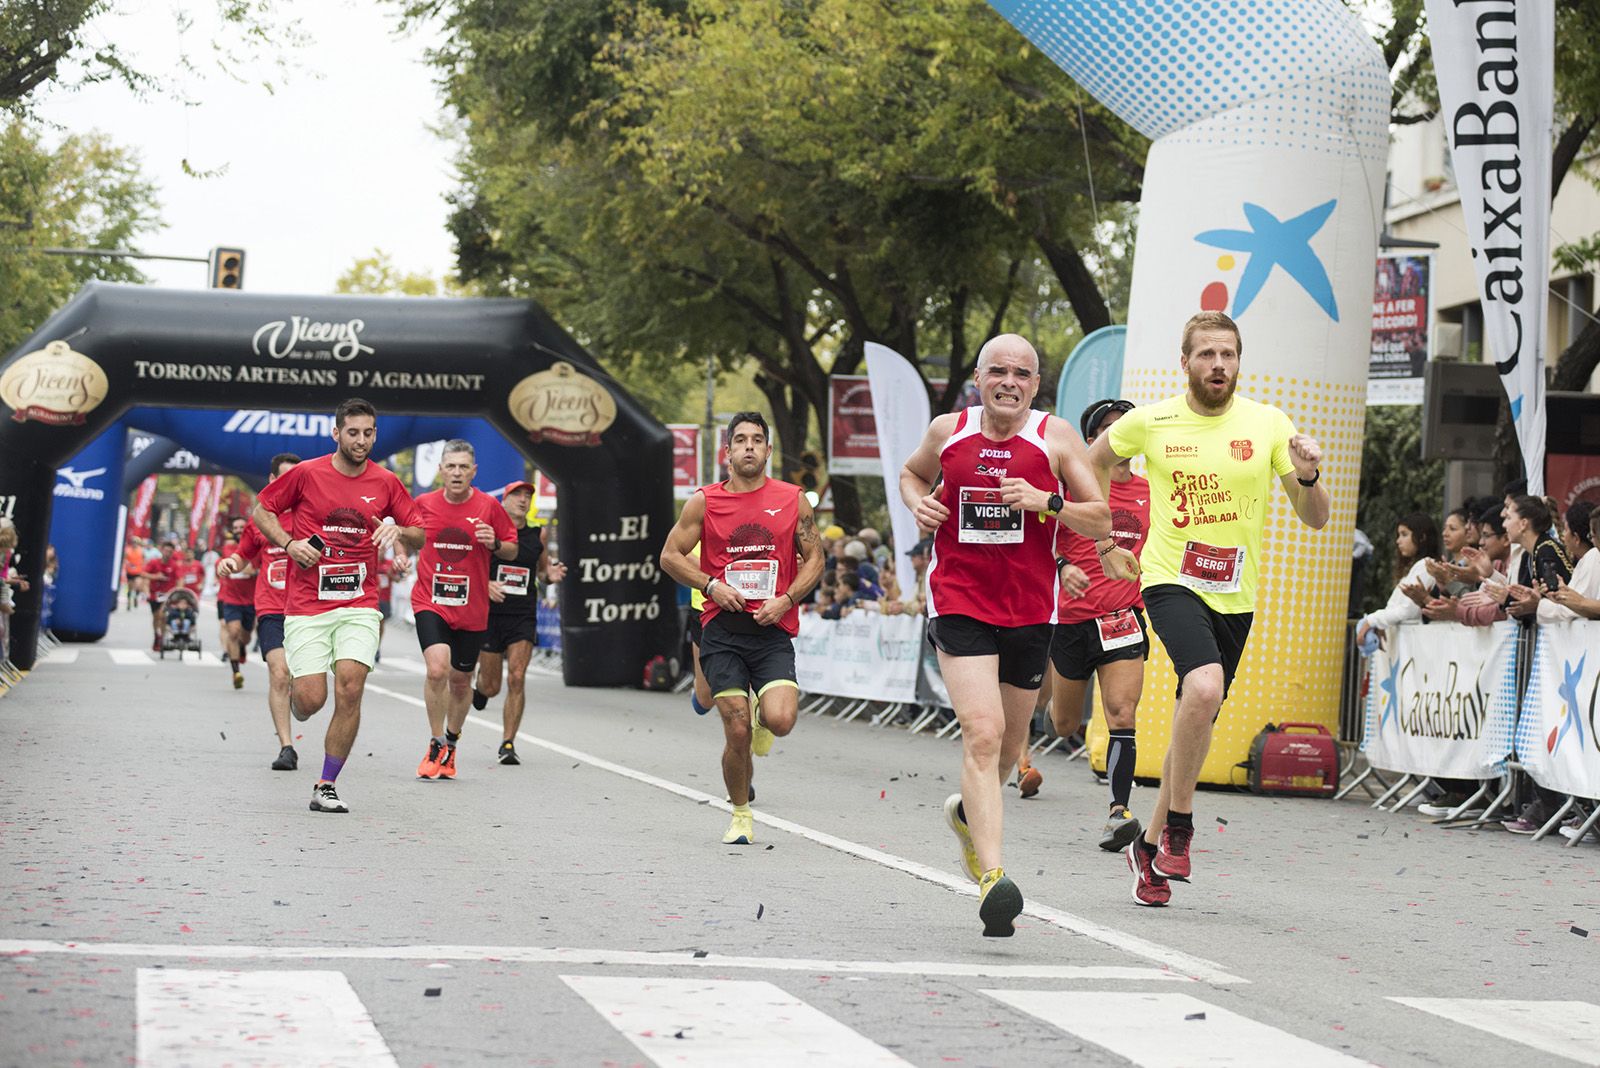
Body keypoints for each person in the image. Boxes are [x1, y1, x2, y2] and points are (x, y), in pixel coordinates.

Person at [1086, 311, 1328, 907]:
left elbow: (1315, 517)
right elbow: (1091, 462)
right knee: (1203, 687)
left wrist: (1309, 476)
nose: (1218, 365)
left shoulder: (1268, 424)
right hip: (1170, 577)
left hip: (1235, 594)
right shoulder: (1151, 422)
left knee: (1196, 715)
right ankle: (1180, 827)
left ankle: (1147, 849)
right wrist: (1105, 543)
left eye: (1228, 354)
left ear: (1239, 362)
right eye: (1207, 354)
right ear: (1185, 362)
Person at [900, 334, 1111, 936]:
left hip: (1030, 610)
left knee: (1010, 742)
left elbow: (1101, 517)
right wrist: (919, 503)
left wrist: (1047, 501)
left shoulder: (1056, 437)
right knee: (984, 732)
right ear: (979, 378)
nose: (1009, 382)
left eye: (1022, 374)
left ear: (1035, 385)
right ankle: (994, 878)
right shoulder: (949, 431)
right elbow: (912, 475)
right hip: (960, 602)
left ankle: (970, 817)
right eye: (998, 371)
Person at [252, 399, 424, 814]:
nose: (361, 440)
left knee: (350, 686)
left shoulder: (386, 481)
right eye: (353, 432)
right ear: (336, 434)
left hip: (359, 601)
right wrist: (290, 544)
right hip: (307, 604)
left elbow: (419, 531)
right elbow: (262, 510)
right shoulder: (307, 474)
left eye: (368, 433)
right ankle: (296, 702)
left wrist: (397, 530)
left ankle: (326, 784)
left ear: (375, 434)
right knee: (312, 699)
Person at [661, 411, 824, 847]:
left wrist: (786, 599)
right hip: (722, 630)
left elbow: (816, 560)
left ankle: (763, 715)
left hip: (772, 628)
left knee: (781, 720)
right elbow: (670, 556)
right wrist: (711, 586)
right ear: (727, 452)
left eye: (756, 440)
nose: (748, 446)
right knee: (735, 729)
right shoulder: (704, 502)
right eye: (740, 440)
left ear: (768, 451)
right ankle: (740, 813)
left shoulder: (793, 500)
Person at [1016, 398, 1153, 851]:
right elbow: (1038, 538)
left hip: (1123, 618)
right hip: (1072, 620)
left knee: (1121, 713)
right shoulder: (1067, 490)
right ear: (1091, 440)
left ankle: (1119, 812)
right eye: (1109, 428)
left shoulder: (1150, 491)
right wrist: (1062, 567)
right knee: (1064, 722)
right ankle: (1039, 726)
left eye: (1126, 426)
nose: (1119, 435)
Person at [403, 440, 519, 781]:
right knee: (437, 669)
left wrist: (494, 543)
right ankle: (435, 741)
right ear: (441, 470)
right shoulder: (424, 503)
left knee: (460, 681)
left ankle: (451, 742)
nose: (456, 473)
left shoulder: (488, 507)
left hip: (471, 608)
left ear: (473, 471)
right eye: (451, 466)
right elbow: (404, 533)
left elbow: (512, 549)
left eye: (463, 467)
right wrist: (400, 554)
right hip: (430, 601)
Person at [470, 479, 567, 765]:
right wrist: (485, 584)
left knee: (516, 676)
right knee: (492, 687)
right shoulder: (489, 531)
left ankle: (508, 743)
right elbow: (470, 566)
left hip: (522, 614)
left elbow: (541, 571)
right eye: (517, 495)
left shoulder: (538, 533)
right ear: (504, 500)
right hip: (491, 614)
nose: (523, 500)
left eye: (527, 495)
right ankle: (481, 687)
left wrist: (550, 575)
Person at [218, 453, 302, 770]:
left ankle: (302, 702)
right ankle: (287, 747)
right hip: (272, 608)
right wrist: (231, 563)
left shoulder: (313, 514)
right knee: (279, 673)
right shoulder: (260, 519)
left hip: (307, 609)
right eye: (284, 478)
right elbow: (242, 555)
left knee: (307, 694)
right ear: (272, 480)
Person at [1355, 513, 1439, 646]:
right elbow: (1396, 607)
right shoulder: (1415, 567)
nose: (1398, 541)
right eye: (1399, 535)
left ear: (1422, 537)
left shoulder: (1426, 565)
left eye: (1404, 534)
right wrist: (1381, 622)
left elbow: (1408, 610)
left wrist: (1372, 621)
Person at [216, 515, 259, 690]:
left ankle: (241, 647)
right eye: (236, 528)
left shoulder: (256, 549)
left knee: (246, 637)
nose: (239, 531)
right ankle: (236, 673)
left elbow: (260, 569)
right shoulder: (228, 549)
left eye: (242, 527)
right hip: (231, 599)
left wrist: (253, 571)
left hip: (251, 600)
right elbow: (223, 567)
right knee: (233, 632)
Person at [142, 540, 181, 650]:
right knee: (156, 617)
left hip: (168, 595)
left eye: (170, 551)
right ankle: (156, 635)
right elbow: (143, 573)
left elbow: (180, 579)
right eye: (166, 551)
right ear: (161, 550)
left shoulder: (174, 565)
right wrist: (156, 577)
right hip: (154, 594)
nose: (168, 553)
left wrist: (178, 590)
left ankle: (162, 639)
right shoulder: (154, 562)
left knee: (163, 616)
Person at [124, 539, 146, 611]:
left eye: (136, 543)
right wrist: (128, 564)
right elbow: (125, 559)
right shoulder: (128, 550)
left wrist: (143, 566)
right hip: (130, 572)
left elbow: (144, 559)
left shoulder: (141, 550)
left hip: (138, 572)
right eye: (133, 542)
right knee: (130, 588)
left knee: (138, 585)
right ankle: (128, 602)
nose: (134, 544)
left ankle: (136, 597)